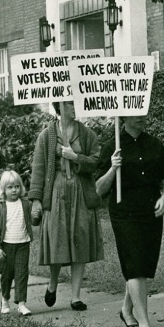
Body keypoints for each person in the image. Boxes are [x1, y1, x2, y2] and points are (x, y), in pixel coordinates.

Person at [96, 114, 164, 327]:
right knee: (135, 264)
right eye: (136, 115)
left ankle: (126, 309)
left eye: (143, 113)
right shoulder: (112, 147)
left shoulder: (154, 144)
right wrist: (112, 168)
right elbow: (99, 189)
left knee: (143, 265)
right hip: (124, 213)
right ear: (124, 117)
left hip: (150, 211)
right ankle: (144, 324)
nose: (142, 118)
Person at [28, 100, 104, 310]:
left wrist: (75, 157)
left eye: (74, 102)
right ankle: (52, 284)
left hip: (80, 191)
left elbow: (95, 161)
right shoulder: (46, 135)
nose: (74, 106)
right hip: (56, 193)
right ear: (59, 106)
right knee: (57, 239)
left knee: (79, 237)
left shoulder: (87, 134)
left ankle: (75, 297)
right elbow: (39, 169)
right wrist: (36, 201)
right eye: (69, 103)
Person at [0, 169, 33, 316]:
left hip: (23, 244)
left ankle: (21, 303)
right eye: (10, 187)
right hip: (6, 246)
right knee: (6, 275)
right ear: (3, 190)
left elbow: (33, 220)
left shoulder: (26, 204)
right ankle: (5, 300)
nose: (14, 190)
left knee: (22, 274)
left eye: (17, 186)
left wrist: (36, 216)